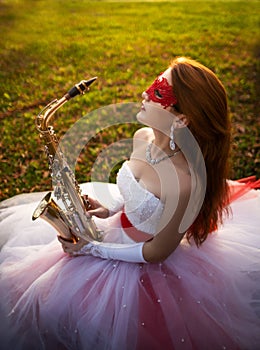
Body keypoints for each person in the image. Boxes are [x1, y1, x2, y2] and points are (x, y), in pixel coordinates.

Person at [0, 57, 259, 350]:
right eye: (152, 86)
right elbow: (135, 190)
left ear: (182, 119)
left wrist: (94, 249)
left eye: (159, 93)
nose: (144, 94)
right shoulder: (142, 137)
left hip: (142, 262)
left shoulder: (183, 182)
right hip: (116, 233)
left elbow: (158, 251)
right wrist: (109, 207)